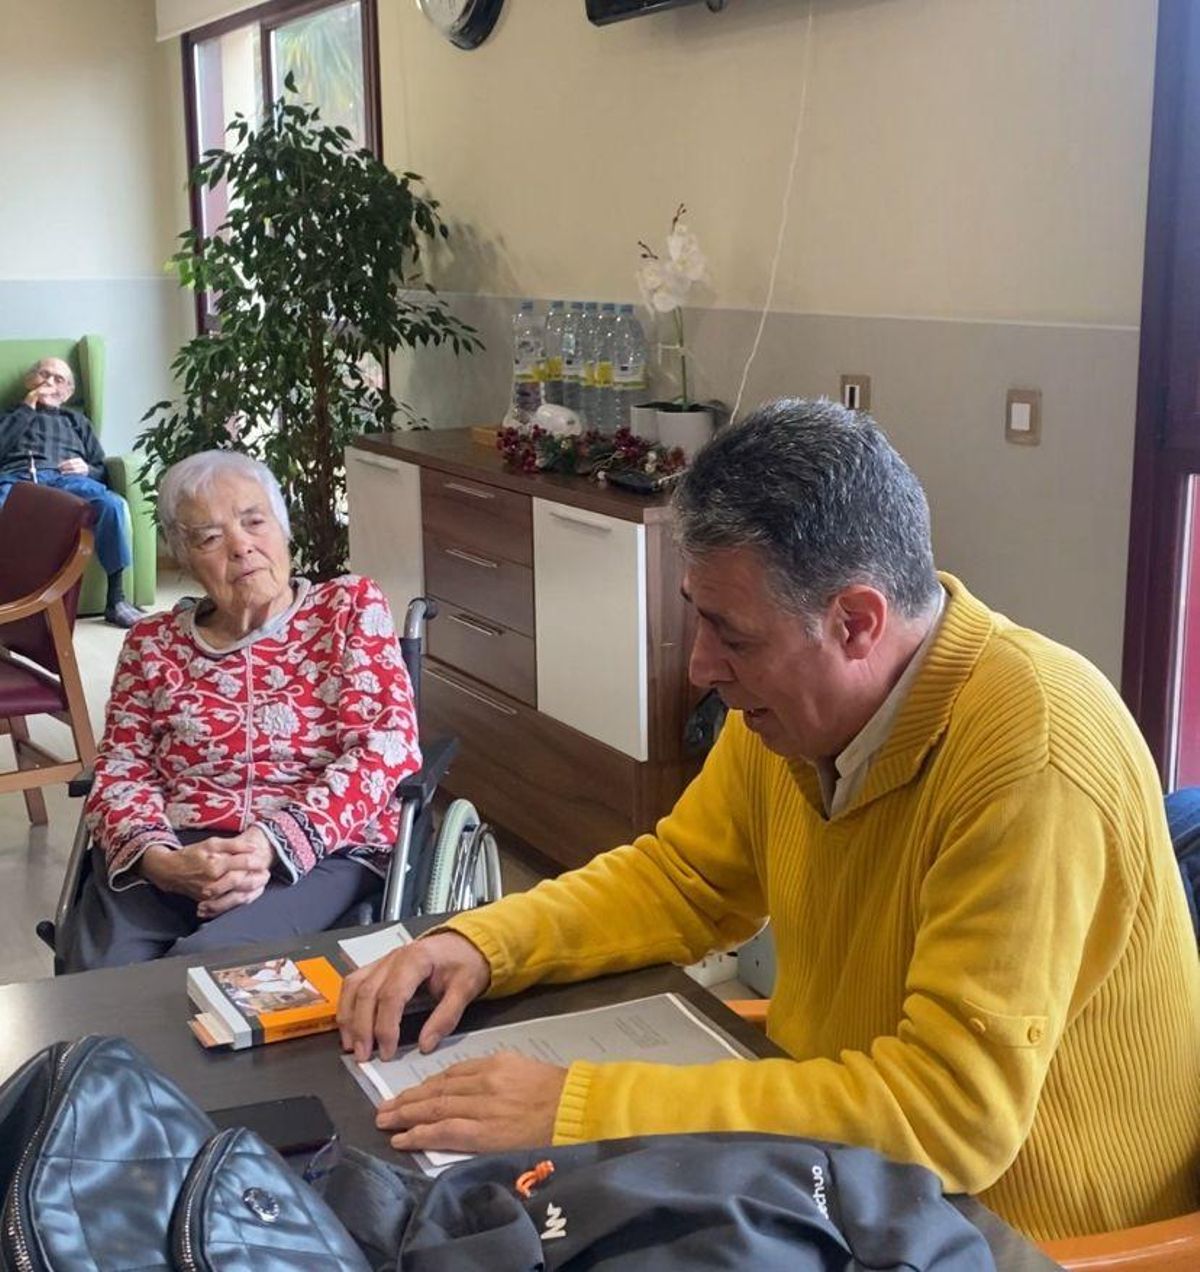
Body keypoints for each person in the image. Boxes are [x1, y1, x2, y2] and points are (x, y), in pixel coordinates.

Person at [338, 399, 1200, 1242]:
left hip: (1018, 1229)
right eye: (697, 618)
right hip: (842, 1175)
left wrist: (579, 1108)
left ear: (856, 622)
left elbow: (949, 1119)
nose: (702, 667)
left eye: (733, 635)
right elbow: (684, 878)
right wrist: (482, 944)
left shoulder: (1029, 748)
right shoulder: (790, 718)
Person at [63, 449, 421, 971]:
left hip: (320, 854)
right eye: (209, 538)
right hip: (174, 849)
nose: (241, 546)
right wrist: (160, 861)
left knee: (210, 968)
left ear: (283, 528)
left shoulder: (347, 609)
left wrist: (272, 843)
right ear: (183, 557)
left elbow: (385, 748)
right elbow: (121, 768)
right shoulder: (151, 644)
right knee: (100, 977)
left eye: (255, 521)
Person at [0, 356, 141, 626]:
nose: (50, 383)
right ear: (30, 381)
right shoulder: (9, 415)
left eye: (59, 379)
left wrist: (87, 469)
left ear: (68, 393)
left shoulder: (77, 422)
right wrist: (27, 409)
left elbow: (102, 469)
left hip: (68, 481)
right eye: (44, 375)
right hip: (17, 481)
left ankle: (117, 600)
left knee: (112, 505)